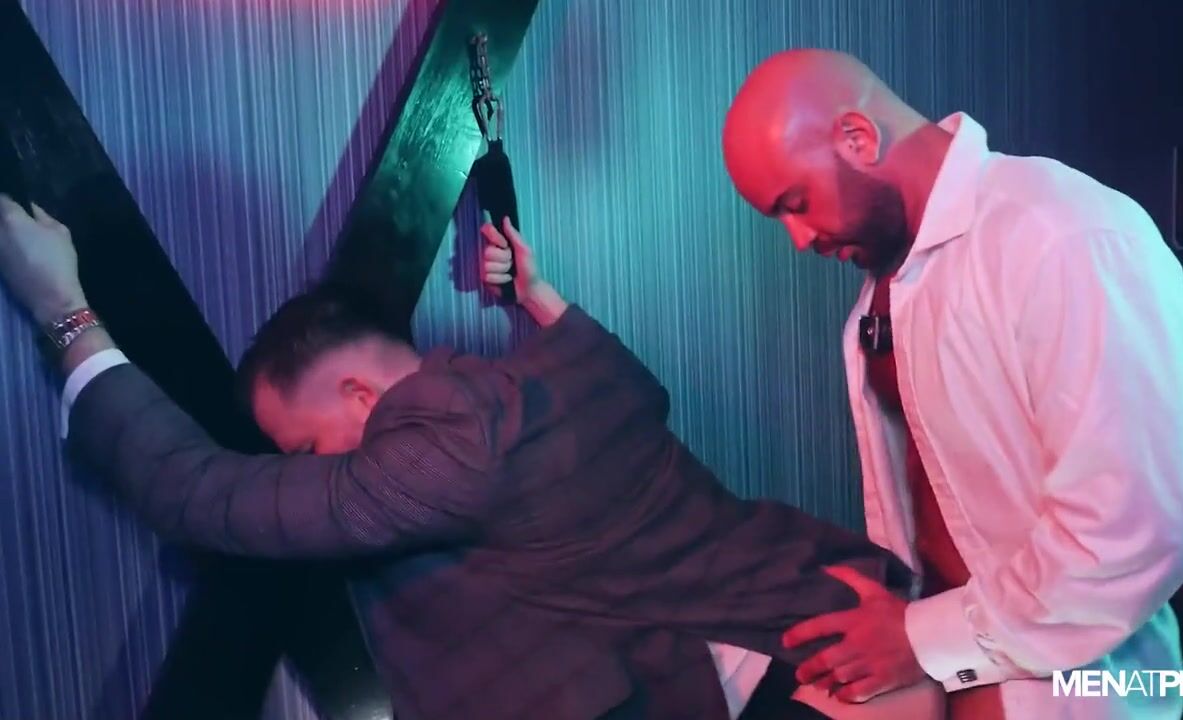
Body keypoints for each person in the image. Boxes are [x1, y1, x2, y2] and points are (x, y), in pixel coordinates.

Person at [0, 197, 943, 719]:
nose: (314, 471)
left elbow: (198, 494)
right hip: (838, 615)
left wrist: (65, 315)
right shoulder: (555, 374)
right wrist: (537, 294)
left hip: (813, 685)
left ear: (360, 396)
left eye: (309, 448)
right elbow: (624, 379)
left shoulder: (435, 451)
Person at [721, 49, 1183, 719]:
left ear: (857, 137)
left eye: (796, 205)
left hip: (1071, 686)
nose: (799, 239)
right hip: (939, 663)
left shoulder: (1065, 236)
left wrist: (921, 640)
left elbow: (1134, 534)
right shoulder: (888, 288)